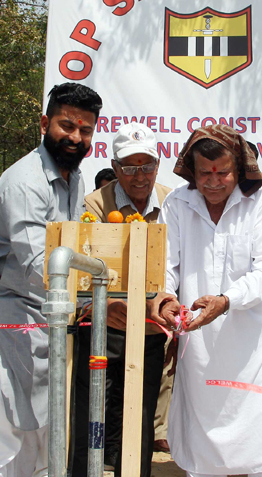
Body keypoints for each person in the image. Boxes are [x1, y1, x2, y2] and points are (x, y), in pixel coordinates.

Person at [0, 82, 102, 476]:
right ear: (45, 123)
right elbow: (40, 267)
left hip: (48, 323)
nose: (75, 137)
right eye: (66, 126)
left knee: (44, 439)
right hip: (8, 324)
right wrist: (96, 300)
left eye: (85, 130)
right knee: (3, 438)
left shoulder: (74, 178)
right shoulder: (23, 180)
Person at [148, 125, 262, 477]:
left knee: (261, 445)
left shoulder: (261, 200)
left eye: (222, 172)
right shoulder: (177, 202)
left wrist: (226, 301)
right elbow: (167, 265)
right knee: (203, 449)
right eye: (204, 173)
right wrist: (165, 297)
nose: (213, 181)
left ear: (239, 169)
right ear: (191, 173)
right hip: (200, 347)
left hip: (256, 347)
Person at [72, 123, 172, 476]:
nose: (140, 176)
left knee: (141, 417)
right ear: (115, 168)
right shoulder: (95, 205)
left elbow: (176, 266)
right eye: (130, 167)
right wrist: (102, 306)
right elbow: (81, 272)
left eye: (147, 165)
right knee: (90, 414)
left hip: (150, 329)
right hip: (103, 326)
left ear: (157, 165)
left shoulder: (173, 203)